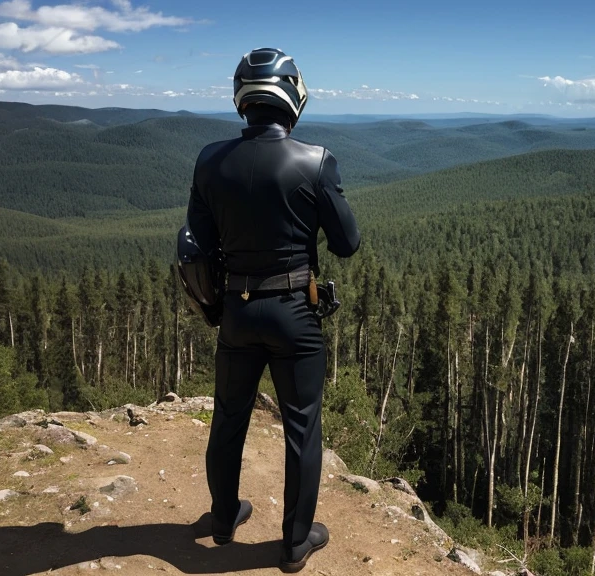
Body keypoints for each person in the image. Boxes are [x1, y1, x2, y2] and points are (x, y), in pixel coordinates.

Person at [185, 47, 361, 573]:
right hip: (294, 311)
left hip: (236, 308)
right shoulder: (315, 159)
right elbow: (347, 242)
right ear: (292, 97)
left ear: (243, 97)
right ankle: (295, 542)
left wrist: (212, 303)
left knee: (229, 416)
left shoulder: (209, 160)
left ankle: (222, 519)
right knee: (302, 426)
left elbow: (197, 243)